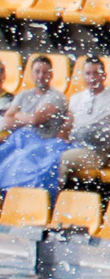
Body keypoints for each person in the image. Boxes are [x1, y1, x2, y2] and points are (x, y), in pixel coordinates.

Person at [59, 55, 110, 184]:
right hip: (72, 145)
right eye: (88, 74)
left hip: (94, 152)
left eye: (96, 74)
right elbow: (67, 128)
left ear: (104, 75)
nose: (92, 78)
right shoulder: (76, 98)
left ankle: (52, 199)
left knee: (60, 160)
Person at [0, 56, 71, 193]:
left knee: (20, 161)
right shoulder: (24, 95)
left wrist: (18, 115)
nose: (40, 76)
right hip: (20, 141)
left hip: (43, 144)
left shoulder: (56, 96)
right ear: (32, 74)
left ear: (51, 74)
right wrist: (23, 118)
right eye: (37, 72)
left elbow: (36, 119)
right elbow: (7, 120)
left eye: (45, 72)